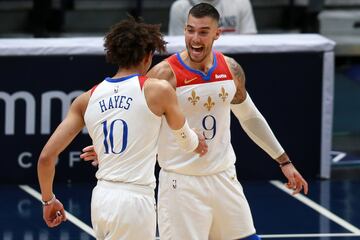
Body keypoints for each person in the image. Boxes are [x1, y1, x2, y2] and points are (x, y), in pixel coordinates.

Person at [82, 3, 308, 240]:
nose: (195, 38)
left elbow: (250, 117)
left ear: (217, 34)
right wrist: (109, 151)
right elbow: (134, 120)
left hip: (224, 178)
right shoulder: (163, 75)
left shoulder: (231, 69)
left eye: (202, 32)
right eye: (190, 30)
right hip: (181, 184)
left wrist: (284, 161)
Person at [37, 17, 208, 240]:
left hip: (101, 199)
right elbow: (185, 141)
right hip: (135, 202)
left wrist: (48, 200)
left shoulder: (86, 99)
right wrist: (197, 141)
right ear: (148, 57)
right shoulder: (158, 90)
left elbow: (46, 158)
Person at [168, 0, 257, 36]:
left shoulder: (241, 2)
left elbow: (249, 43)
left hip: (235, 63)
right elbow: (178, 49)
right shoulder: (179, 7)